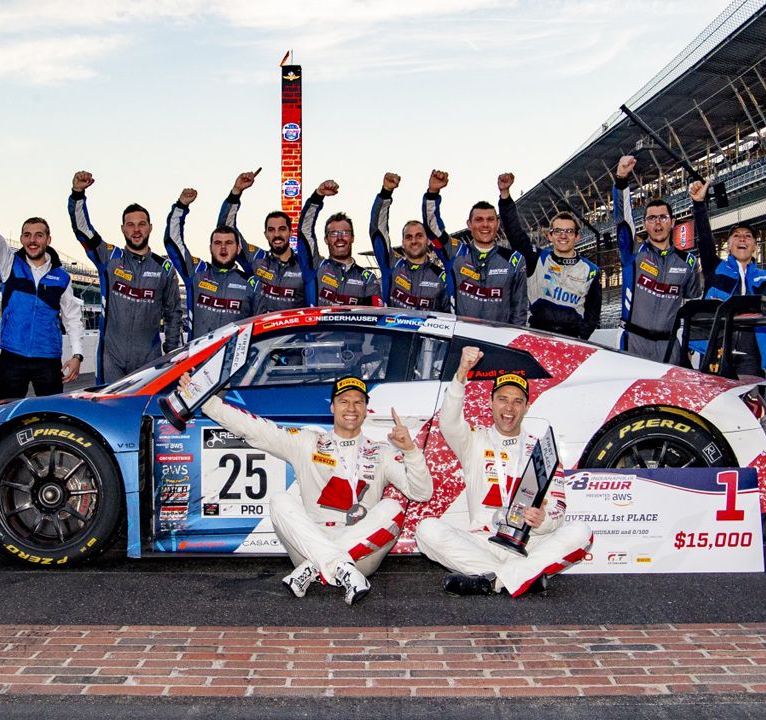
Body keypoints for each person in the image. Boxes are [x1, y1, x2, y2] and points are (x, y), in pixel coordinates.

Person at [188, 373, 432, 605]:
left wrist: (410, 451)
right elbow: (256, 430)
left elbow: (421, 493)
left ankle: (317, 570)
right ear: (332, 407)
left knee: (393, 507)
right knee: (280, 501)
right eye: (344, 401)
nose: (351, 408)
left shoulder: (382, 452)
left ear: (366, 410)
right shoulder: (308, 442)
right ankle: (336, 567)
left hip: (360, 555)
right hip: (309, 545)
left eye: (359, 402)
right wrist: (207, 402)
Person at [415, 346, 593, 597]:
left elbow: (559, 510)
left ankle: (492, 581)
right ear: (491, 402)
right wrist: (462, 372)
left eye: (517, 401)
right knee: (426, 531)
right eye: (503, 399)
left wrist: (543, 520)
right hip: (484, 541)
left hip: (530, 542)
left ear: (527, 407)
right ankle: (521, 576)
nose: (509, 408)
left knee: (581, 532)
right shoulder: (474, 440)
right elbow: (449, 421)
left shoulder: (543, 450)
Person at [0, 180, 84, 399]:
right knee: (7, 417)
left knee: (50, 416)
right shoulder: (9, 264)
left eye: (38, 235)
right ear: (22, 239)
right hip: (12, 357)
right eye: (27, 235)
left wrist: (77, 355)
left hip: (48, 360)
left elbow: (72, 318)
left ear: (48, 240)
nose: (32, 240)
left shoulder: (62, 277)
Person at [67, 171, 184, 383]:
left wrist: (173, 354)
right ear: (122, 229)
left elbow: (173, 314)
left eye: (141, 224)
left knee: (145, 414)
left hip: (150, 361)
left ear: (150, 227)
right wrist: (77, 194)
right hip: (111, 359)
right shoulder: (109, 257)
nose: (136, 230)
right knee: (107, 412)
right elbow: (82, 229)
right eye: (130, 225)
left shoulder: (164, 267)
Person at [612, 155, 702, 363]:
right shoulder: (633, 253)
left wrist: (689, 344)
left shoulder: (688, 261)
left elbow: (691, 307)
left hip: (669, 345)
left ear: (672, 222)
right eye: (651, 218)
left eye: (663, 217)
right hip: (632, 340)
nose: (658, 223)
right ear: (644, 224)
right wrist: (621, 181)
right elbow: (622, 221)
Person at [691, 180, 766, 381]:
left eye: (748, 236)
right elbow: (704, 238)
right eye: (736, 236)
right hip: (716, 345)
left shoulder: (765, 277)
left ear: (755, 245)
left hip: (752, 348)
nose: (742, 239)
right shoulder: (715, 268)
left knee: (751, 403)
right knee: (714, 405)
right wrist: (699, 205)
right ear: (728, 245)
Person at [499, 176, 601, 339]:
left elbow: (592, 316)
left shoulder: (591, 271)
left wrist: (581, 337)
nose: (563, 236)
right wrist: (505, 195)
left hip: (571, 340)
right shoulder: (537, 259)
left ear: (577, 236)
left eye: (569, 231)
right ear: (549, 236)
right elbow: (514, 232)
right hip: (537, 335)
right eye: (558, 231)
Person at [422, 171, 529, 324]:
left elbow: (519, 313)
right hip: (461, 340)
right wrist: (433, 193)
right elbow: (432, 228)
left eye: (490, 219)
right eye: (479, 219)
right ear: (469, 225)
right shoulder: (456, 253)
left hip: (497, 343)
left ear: (497, 224)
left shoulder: (515, 260)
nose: (485, 224)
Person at [163, 188, 257, 339]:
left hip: (234, 362)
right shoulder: (197, 272)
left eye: (229, 243)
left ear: (239, 248)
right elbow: (173, 242)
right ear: (210, 247)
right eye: (218, 243)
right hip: (198, 359)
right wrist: (181, 206)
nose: (223, 247)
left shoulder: (251, 283)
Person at [218, 169, 311, 313]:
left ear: (290, 232)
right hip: (262, 335)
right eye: (271, 230)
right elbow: (227, 230)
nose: (277, 234)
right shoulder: (256, 259)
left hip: (293, 335)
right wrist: (237, 191)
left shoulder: (304, 266)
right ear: (266, 234)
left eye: (282, 229)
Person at [370, 172, 450, 311]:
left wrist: (433, 193)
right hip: (392, 332)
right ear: (402, 242)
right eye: (408, 237)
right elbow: (378, 230)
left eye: (419, 236)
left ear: (428, 240)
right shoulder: (392, 267)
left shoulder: (441, 277)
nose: (414, 241)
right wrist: (386, 192)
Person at [298, 180, 383, 307]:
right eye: (334, 233)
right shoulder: (316, 266)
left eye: (345, 233)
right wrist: (318, 195)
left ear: (353, 238)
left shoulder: (368, 278)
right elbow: (305, 230)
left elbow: (374, 317)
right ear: (326, 239)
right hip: (318, 327)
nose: (340, 238)